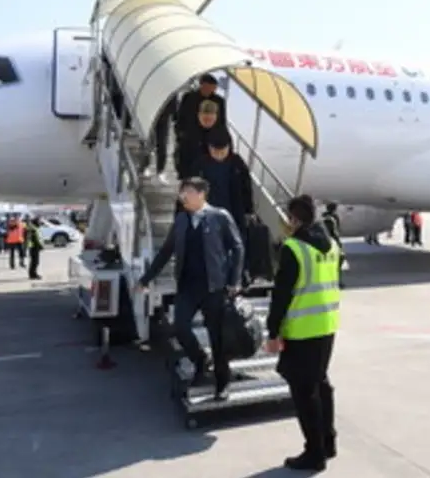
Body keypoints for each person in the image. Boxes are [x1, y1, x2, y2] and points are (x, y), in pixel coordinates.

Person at [136, 177, 244, 399]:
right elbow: (166, 251)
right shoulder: (181, 220)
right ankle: (200, 359)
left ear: (201, 194)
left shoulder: (219, 216)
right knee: (180, 327)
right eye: (182, 192)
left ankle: (222, 382)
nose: (183, 196)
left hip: (214, 287)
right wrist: (146, 279)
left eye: (188, 192)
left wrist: (234, 281)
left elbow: (237, 247)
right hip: (187, 286)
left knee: (217, 336)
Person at [265, 194, 341, 471]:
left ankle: (314, 452)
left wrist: (273, 331)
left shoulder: (294, 248)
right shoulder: (331, 245)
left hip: (301, 328)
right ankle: (328, 442)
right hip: (327, 324)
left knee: (304, 392)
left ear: (294, 219)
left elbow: (281, 295)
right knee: (321, 384)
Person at [191, 130, 254, 234]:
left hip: (233, 212)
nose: (219, 155)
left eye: (223, 152)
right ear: (209, 148)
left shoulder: (237, 164)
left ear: (229, 147)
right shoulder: (200, 165)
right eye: (216, 152)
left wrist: (249, 210)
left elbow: (246, 188)